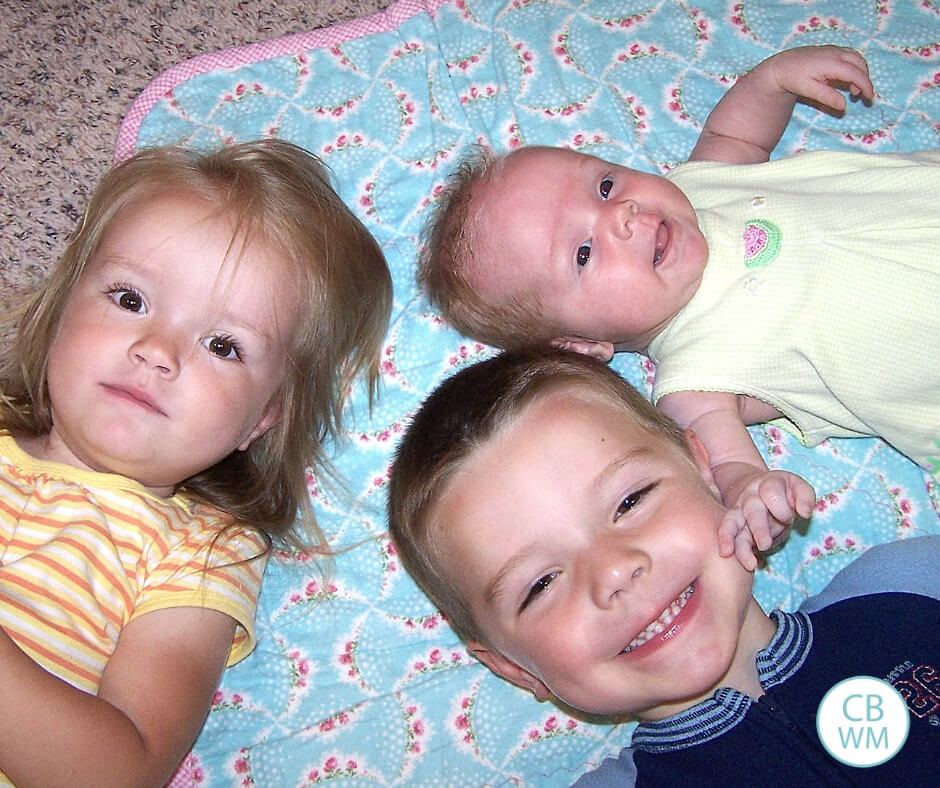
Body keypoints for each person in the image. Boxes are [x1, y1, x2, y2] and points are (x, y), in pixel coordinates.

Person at [417, 44, 940, 560]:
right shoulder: (692, 380)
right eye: (582, 252)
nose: (621, 213)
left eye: (603, 185)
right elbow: (731, 465)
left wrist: (773, 80)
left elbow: (736, 134)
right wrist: (753, 494)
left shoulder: (696, 185)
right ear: (581, 344)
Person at [0, 138, 392, 786]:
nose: (157, 350)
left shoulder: (206, 551)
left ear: (262, 419)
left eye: (222, 345)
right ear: (65, 303)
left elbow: (121, 772)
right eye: (130, 300)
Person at [387, 347, 939, 787]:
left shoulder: (907, 583)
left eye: (631, 502)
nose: (613, 570)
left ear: (704, 469)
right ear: (515, 669)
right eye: (541, 583)